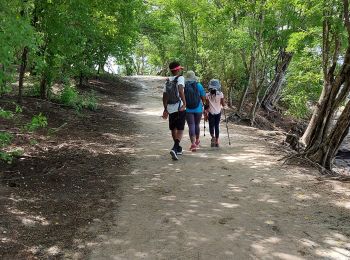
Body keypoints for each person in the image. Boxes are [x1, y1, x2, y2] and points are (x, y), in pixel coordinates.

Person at [162, 61, 187, 160]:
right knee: (180, 129)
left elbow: (164, 96)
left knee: (173, 129)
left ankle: (178, 148)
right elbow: (180, 90)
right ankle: (175, 147)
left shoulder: (167, 80)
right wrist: (184, 103)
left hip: (171, 108)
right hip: (180, 107)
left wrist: (165, 109)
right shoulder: (180, 78)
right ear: (178, 70)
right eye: (180, 68)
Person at [184, 71, 206, 152]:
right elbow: (203, 97)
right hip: (198, 109)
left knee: (191, 125)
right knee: (197, 124)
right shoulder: (199, 85)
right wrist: (205, 106)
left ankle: (193, 144)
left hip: (188, 109)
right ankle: (197, 140)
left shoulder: (184, 86)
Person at [205, 79, 225, 147]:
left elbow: (207, 106)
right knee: (217, 126)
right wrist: (223, 104)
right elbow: (223, 104)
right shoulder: (221, 94)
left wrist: (205, 114)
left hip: (211, 113)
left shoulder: (207, 95)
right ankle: (217, 141)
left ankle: (213, 137)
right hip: (218, 113)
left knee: (211, 126)